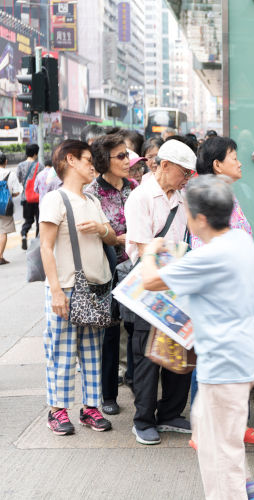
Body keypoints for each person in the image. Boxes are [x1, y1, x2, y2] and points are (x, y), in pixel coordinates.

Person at [140, 175, 254, 499]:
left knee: (218, 454)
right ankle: (245, 487)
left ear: (200, 218)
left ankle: (238, 492)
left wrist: (151, 251)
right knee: (209, 427)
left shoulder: (208, 256)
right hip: (245, 357)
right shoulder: (239, 240)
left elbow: (151, 280)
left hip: (225, 365)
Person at [192, 135, 254, 447]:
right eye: (233, 156)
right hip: (220, 292)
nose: (239, 162)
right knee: (217, 361)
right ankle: (209, 430)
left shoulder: (226, 194)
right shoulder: (209, 196)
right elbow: (207, 244)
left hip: (234, 290)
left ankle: (224, 426)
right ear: (217, 164)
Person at [38, 139, 117, 435]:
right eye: (86, 160)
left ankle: (90, 408)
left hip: (96, 288)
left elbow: (110, 238)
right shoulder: (55, 200)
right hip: (68, 289)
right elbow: (46, 248)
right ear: (70, 160)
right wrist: (56, 290)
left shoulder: (93, 201)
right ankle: (57, 410)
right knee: (61, 351)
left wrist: (102, 229)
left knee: (92, 352)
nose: (92, 165)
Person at [124, 139, 196, 445]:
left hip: (176, 285)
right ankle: (143, 419)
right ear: (164, 166)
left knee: (179, 350)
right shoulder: (140, 198)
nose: (187, 178)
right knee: (147, 357)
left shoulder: (182, 200)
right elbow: (143, 251)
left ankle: (170, 413)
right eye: (184, 172)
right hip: (147, 287)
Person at [86, 132, 136, 416]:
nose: (127, 160)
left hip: (135, 268)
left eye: (127, 154)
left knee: (135, 330)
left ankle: (134, 381)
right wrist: (116, 239)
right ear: (104, 160)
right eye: (121, 156)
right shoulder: (92, 193)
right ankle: (108, 395)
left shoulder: (135, 188)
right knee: (109, 333)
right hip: (106, 271)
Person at [16, 142, 41, 250]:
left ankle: (24, 233)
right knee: (39, 220)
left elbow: (19, 179)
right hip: (38, 198)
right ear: (35, 154)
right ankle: (37, 241)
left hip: (26, 197)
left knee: (28, 220)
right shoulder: (40, 166)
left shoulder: (20, 165)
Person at [0, 152, 22, 264]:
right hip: (4, 206)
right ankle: (0, 256)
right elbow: (17, 191)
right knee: (3, 231)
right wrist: (8, 196)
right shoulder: (10, 174)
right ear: (6, 162)